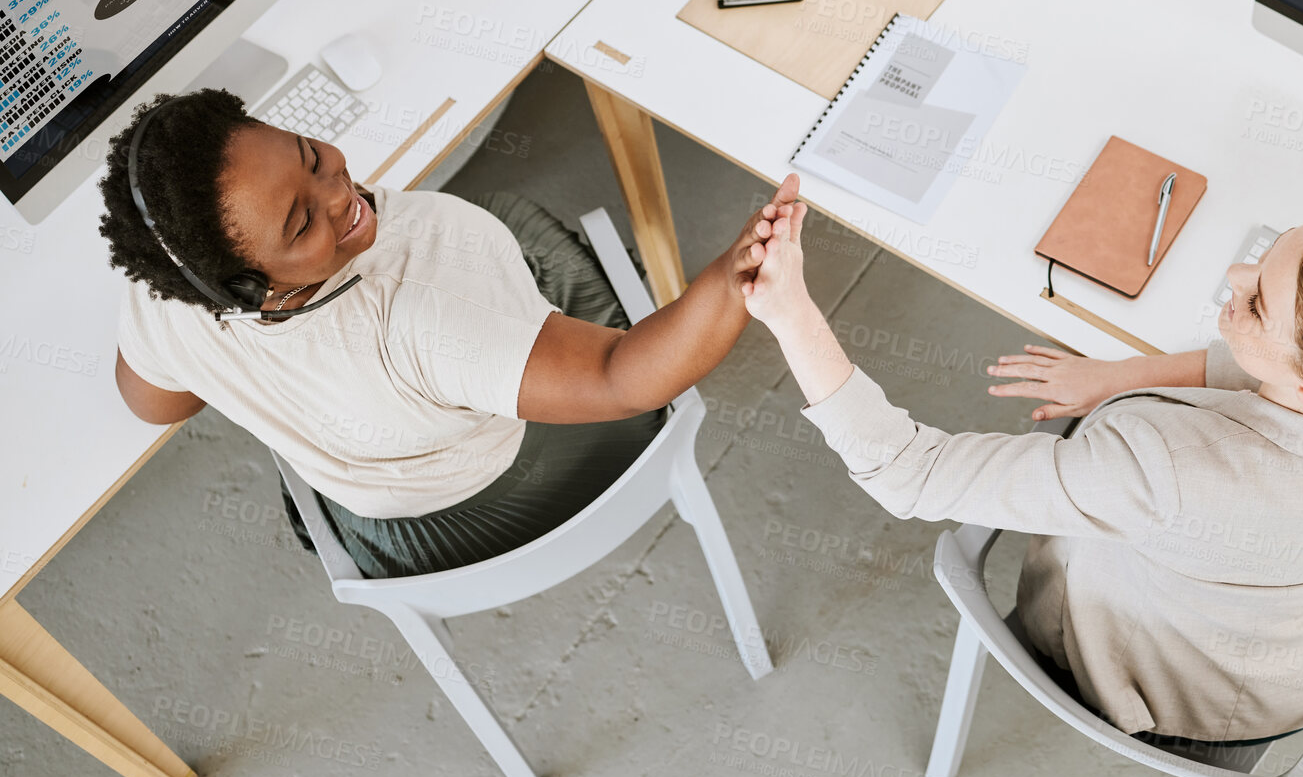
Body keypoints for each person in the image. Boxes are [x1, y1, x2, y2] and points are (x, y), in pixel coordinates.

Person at [740, 188, 1303, 746]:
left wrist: (790, 312)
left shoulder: (1156, 468)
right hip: (1302, 657)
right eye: (1271, 249)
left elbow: (907, 471)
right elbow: (1268, 378)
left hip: (1166, 684)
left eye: (1255, 302)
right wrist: (1117, 374)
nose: (1234, 271)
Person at [99, 88, 798, 578]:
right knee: (506, 218)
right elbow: (620, 377)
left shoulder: (166, 299)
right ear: (248, 287)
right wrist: (734, 272)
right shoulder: (427, 286)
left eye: (310, 157)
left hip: (390, 543)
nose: (342, 195)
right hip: (520, 481)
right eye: (303, 223)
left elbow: (154, 403)